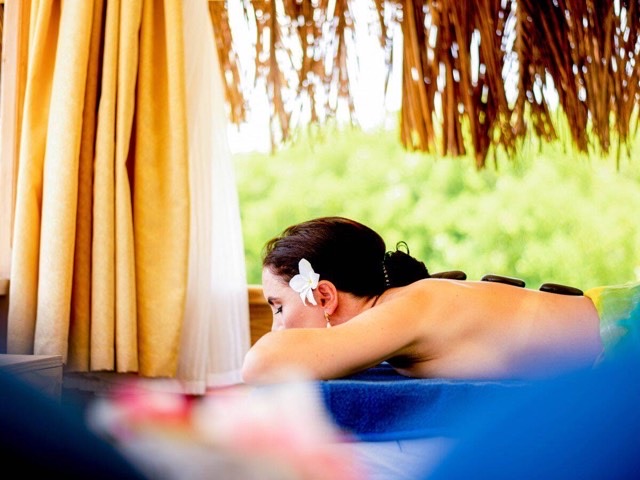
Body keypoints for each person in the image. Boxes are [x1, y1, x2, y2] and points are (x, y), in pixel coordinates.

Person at [242, 216, 639, 384]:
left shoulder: (405, 309)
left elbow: (261, 364)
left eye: (279, 308)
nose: (278, 327)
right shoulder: (408, 304)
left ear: (324, 295)